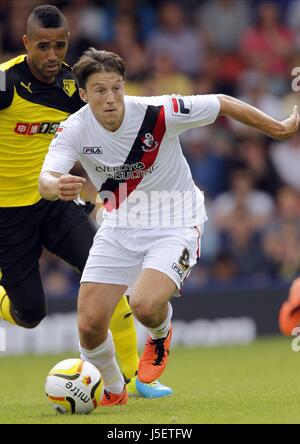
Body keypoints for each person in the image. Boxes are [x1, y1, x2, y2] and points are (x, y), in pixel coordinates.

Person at [39, 47, 299, 406]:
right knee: (89, 323)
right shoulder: (75, 128)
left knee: (144, 304)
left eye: (116, 87)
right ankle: (114, 391)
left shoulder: (158, 111)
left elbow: (222, 102)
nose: (111, 98)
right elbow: (46, 178)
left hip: (176, 221)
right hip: (119, 224)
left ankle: (159, 335)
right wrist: (56, 186)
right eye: (100, 90)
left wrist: (278, 127)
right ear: (83, 94)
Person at [0, 4, 172, 399]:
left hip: (56, 200)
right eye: (42, 46)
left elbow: (109, 131)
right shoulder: (5, 83)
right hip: (7, 213)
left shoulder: (71, 86)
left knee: (110, 274)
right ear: (26, 43)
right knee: (29, 314)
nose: (51, 56)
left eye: (59, 46)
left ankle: (129, 382)